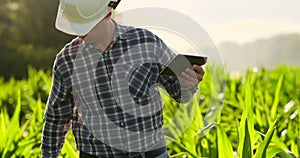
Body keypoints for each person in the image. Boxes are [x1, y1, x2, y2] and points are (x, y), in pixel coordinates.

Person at [41, 0, 206, 157]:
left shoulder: (146, 43)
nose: (80, 33)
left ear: (107, 14)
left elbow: (180, 93)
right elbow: (56, 119)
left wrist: (188, 83)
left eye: (86, 26)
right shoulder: (67, 60)